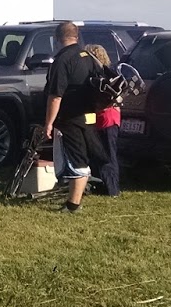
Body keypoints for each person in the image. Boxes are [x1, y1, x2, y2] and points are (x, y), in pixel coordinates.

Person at [42, 21, 102, 213]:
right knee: (81, 157)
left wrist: (49, 123)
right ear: (76, 36)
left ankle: (73, 205)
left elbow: (55, 96)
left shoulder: (62, 60)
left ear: (57, 38)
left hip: (70, 118)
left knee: (76, 160)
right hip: (88, 117)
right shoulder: (89, 57)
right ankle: (73, 200)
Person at [85, 44, 122, 197]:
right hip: (109, 117)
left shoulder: (102, 76)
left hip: (106, 118)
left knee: (107, 154)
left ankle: (112, 188)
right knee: (102, 152)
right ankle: (103, 183)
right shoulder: (108, 74)